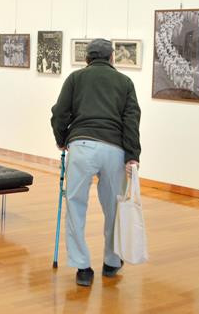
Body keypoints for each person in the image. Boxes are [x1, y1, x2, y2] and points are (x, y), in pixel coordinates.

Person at [50, 39, 141, 286]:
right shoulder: (125, 82)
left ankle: (82, 268)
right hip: (114, 149)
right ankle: (112, 262)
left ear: (87, 58)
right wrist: (133, 154)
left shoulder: (76, 78)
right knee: (113, 208)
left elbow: (60, 112)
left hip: (82, 146)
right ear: (112, 58)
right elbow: (131, 120)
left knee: (76, 206)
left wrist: (62, 139)